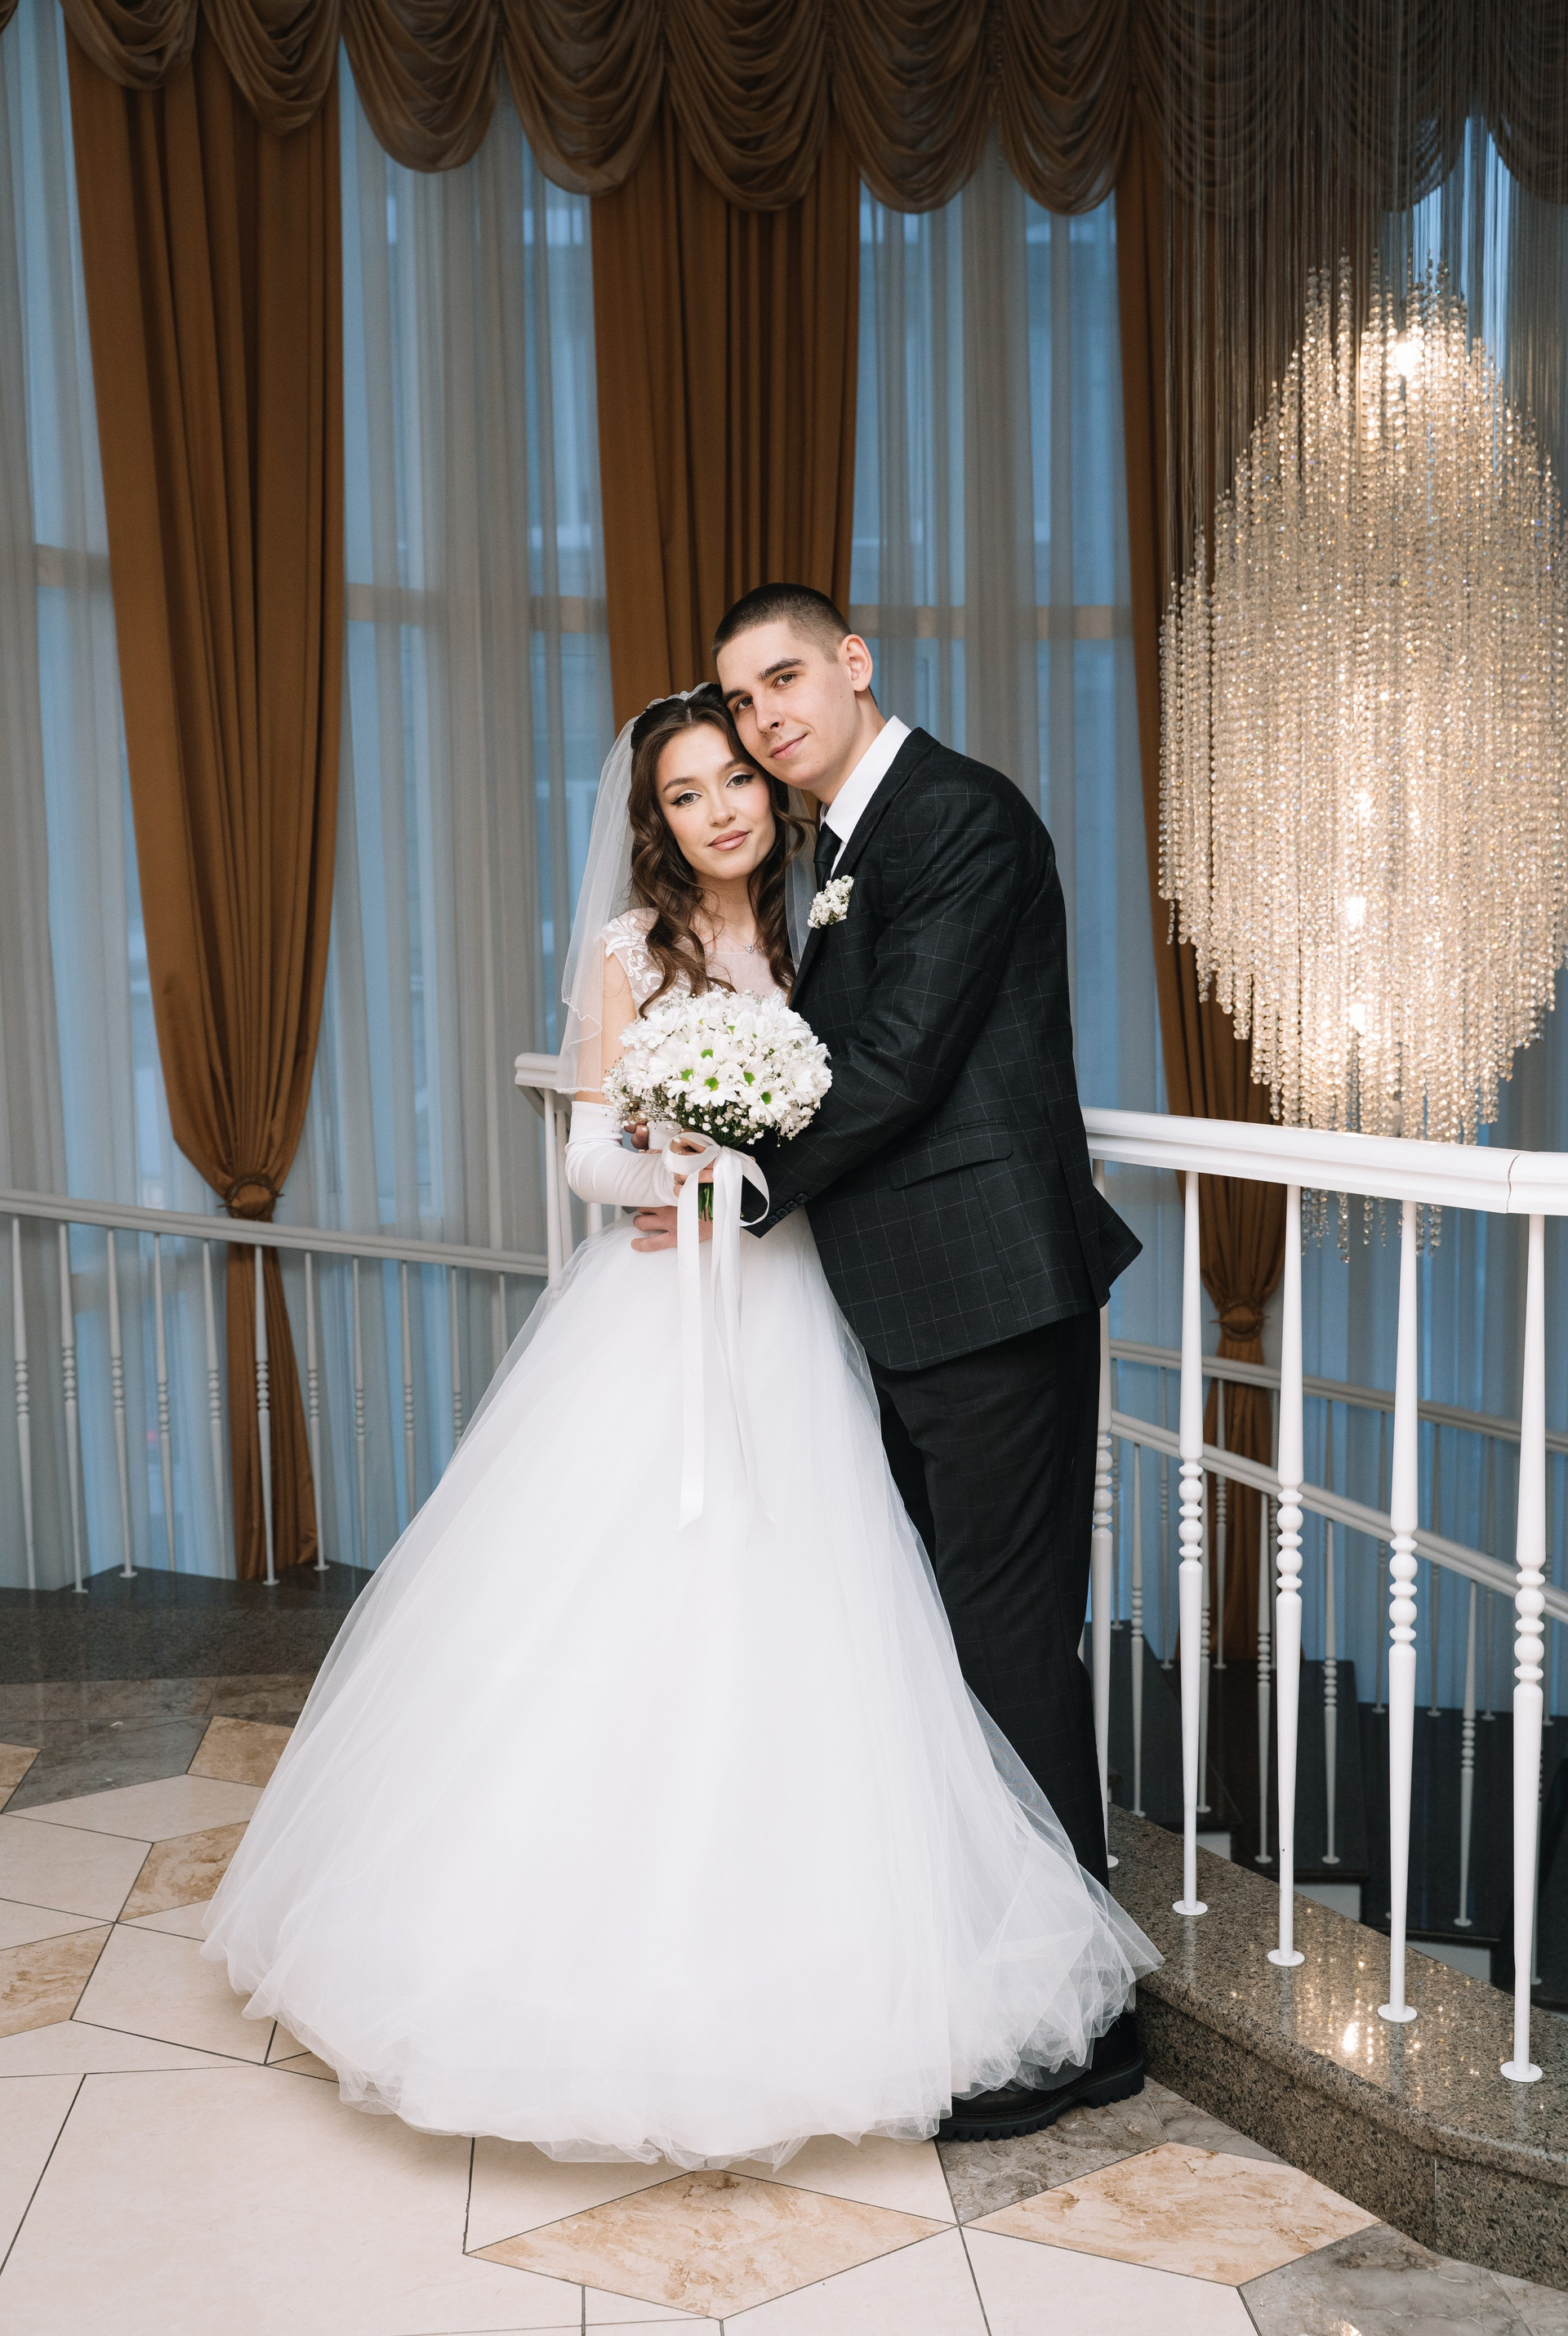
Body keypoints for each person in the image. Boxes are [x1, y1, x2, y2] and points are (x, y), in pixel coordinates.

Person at [201, 684, 1155, 2169]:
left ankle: (871, 1942)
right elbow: (592, 1154)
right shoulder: (630, 950)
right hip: (673, 1315)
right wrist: (691, 1177)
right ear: (654, 820)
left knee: (839, 1608)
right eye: (687, 793)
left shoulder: (824, 927)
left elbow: (888, 1086)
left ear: (772, 791)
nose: (720, 809)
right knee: (643, 1598)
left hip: (814, 1306)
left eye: (736, 780)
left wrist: (753, 1179)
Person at [632, 586, 1145, 2140]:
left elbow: (904, 1060)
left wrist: (745, 1189)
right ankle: (1007, 1985)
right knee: (957, 1649)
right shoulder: (841, 844)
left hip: (990, 1296)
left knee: (1008, 1646)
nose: (768, 716)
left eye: (786, 678)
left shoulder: (954, 814)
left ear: (853, 664)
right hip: (917, 1304)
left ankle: (1085, 2031)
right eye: (745, 698)